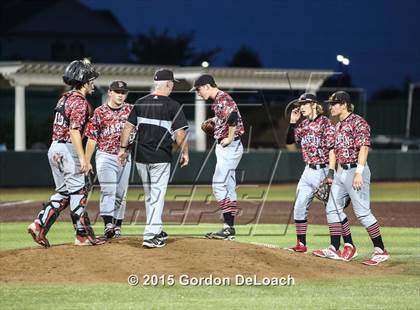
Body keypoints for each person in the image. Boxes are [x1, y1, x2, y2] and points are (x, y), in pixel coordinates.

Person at [27, 59, 104, 247]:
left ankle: (39, 224)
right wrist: (83, 158)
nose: (93, 83)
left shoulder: (65, 97)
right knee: (79, 191)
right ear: (84, 81)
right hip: (68, 149)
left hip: (54, 148)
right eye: (91, 79)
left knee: (64, 193)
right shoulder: (79, 102)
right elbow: (74, 130)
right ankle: (82, 235)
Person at [313, 91, 390, 266]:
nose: (330, 107)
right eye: (330, 104)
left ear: (344, 104)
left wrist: (359, 173)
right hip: (341, 172)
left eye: (334, 104)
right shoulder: (337, 125)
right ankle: (335, 247)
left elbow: (363, 148)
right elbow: (335, 151)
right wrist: (332, 174)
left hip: (356, 169)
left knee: (362, 212)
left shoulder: (358, 122)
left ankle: (380, 250)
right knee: (332, 208)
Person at [118, 68, 189, 248]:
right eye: (172, 83)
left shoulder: (140, 102)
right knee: (157, 195)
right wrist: (185, 152)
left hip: (140, 156)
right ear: (168, 84)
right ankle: (150, 235)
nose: (172, 86)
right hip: (160, 157)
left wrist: (122, 149)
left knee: (151, 196)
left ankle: (156, 230)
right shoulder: (173, 105)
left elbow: (127, 128)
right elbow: (180, 134)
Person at [285, 93, 353, 253]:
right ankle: (301, 244)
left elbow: (332, 150)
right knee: (299, 206)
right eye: (300, 104)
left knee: (333, 209)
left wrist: (330, 173)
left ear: (314, 104)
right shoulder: (301, 125)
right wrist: (292, 123)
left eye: (305, 104)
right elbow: (289, 141)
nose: (301, 107)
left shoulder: (325, 123)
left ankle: (348, 243)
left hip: (323, 170)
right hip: (308, 171)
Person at [191, 74, 245, 240]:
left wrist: (228, 137)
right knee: (228, 187)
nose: (198, 93)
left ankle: (228, 228)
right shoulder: (219, 100)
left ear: (207, 86)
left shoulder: (222, 98)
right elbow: (227, 116)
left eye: (199, 89)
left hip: (230, 146)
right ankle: (228, 228)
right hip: (230, 147)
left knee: (218, 185)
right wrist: (213, 120)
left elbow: (233, 118)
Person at [85, 80, 134, 239]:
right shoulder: (100, 112)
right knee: (108, 190)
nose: (120, 95)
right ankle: (108, 225)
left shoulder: (131, 110)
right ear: (110, 92)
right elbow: (92, 138)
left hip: (125, 157)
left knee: (121, 193)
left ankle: (117, 226)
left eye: (123, 92)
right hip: (105, 155)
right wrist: (86, 160)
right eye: (117, 92)